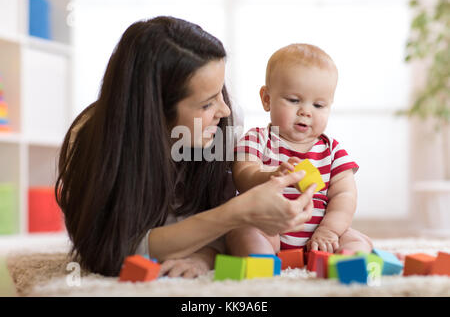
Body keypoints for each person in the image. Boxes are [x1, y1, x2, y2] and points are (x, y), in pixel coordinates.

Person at [55, 17, 316, 278]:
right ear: (154, 113)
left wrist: (205, 254)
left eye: (221, 93)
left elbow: (220, 226)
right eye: (206, 104)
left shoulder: (224, 122)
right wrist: (235, 213)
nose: (224, 109)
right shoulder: (92, 139)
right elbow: (109, 250)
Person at [226, 43, 373, 257]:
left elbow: (345, 195)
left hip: (319, 234)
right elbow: (242, 174)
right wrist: (271, 176)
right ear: (267, 99)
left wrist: (329, 231)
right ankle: (261, 262)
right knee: (241, 233)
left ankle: (348, 265)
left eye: (319, 105)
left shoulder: (332, 151)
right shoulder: (258, 138)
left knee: (356, 240)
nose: (306, 111)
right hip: (268, 228)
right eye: (294, 100)